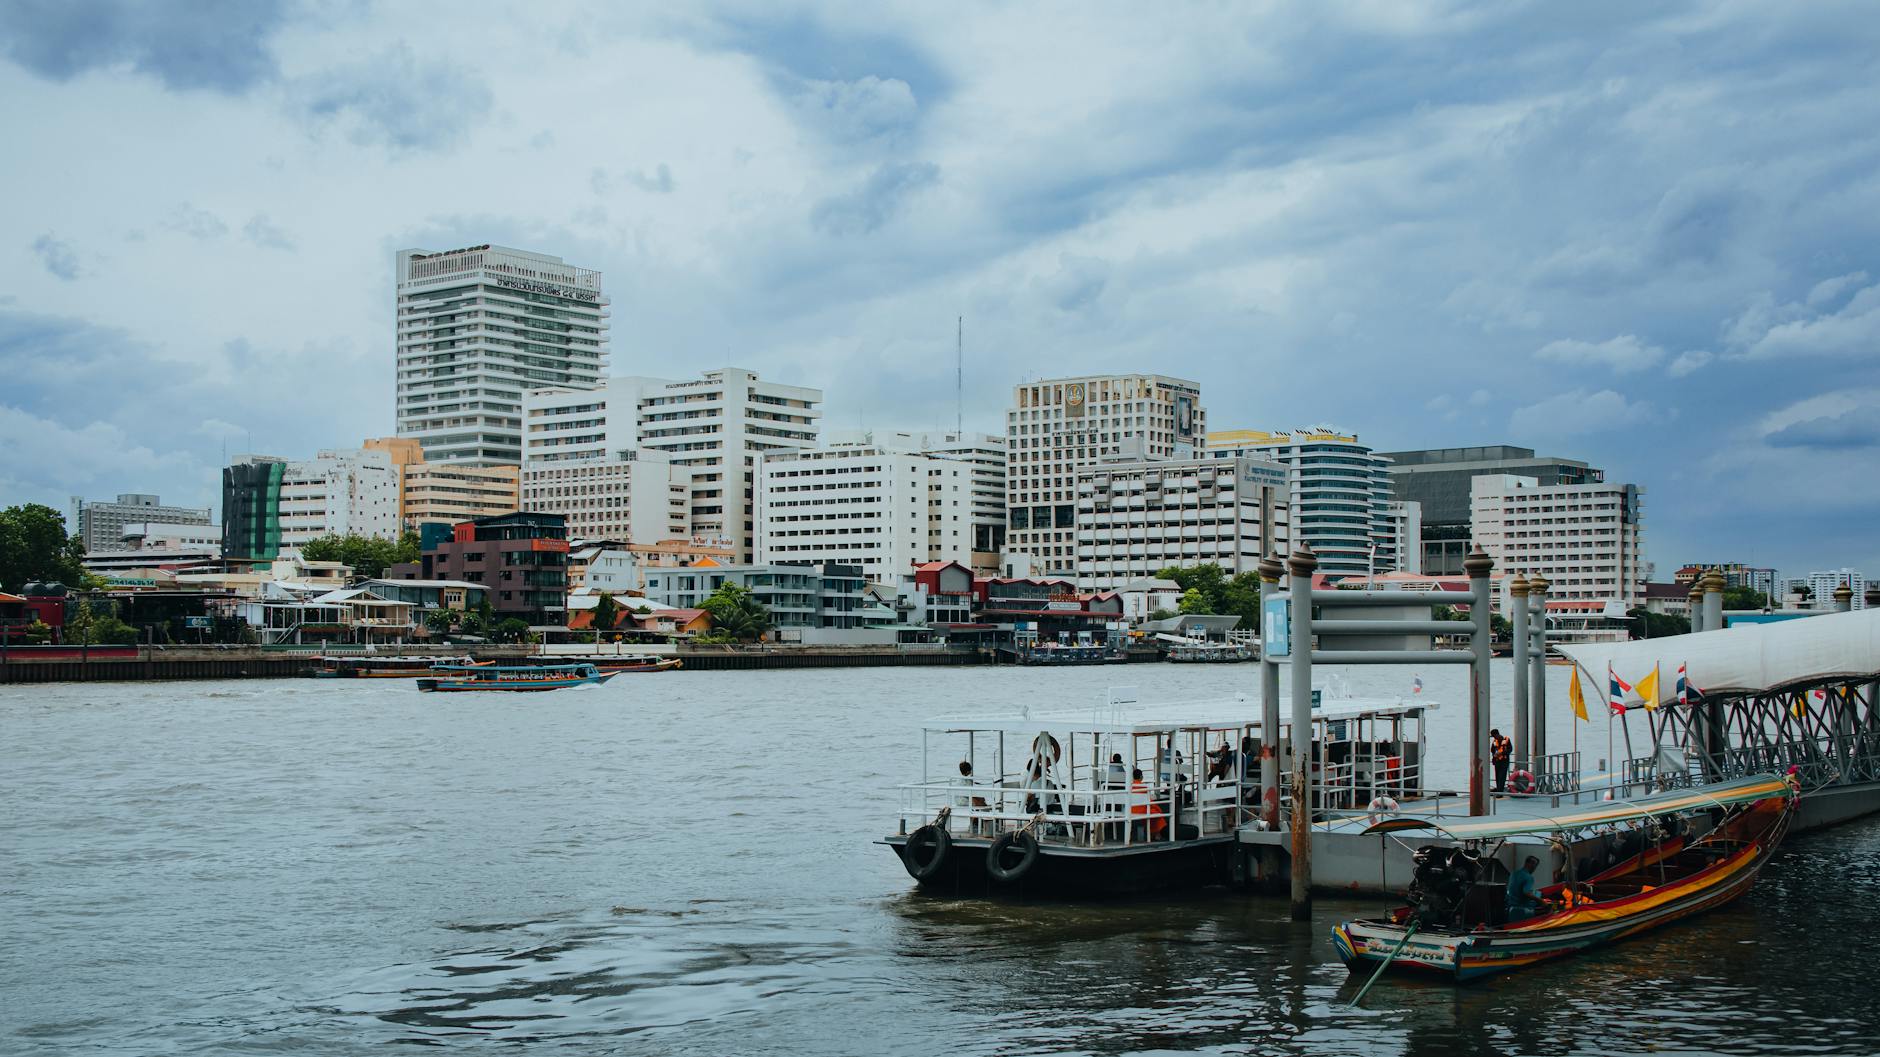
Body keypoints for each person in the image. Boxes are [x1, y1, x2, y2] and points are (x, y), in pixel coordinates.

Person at [1506, 854, 1547, 921]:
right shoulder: (1528, 877)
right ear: (1531, 864)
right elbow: (1527, 893)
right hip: (1521, 905)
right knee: (1541, 900)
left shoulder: (1514, 873)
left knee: (1537, 893)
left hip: (1510, 903)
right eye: (1535, 865)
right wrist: (1541, 901)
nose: (1535, 868)